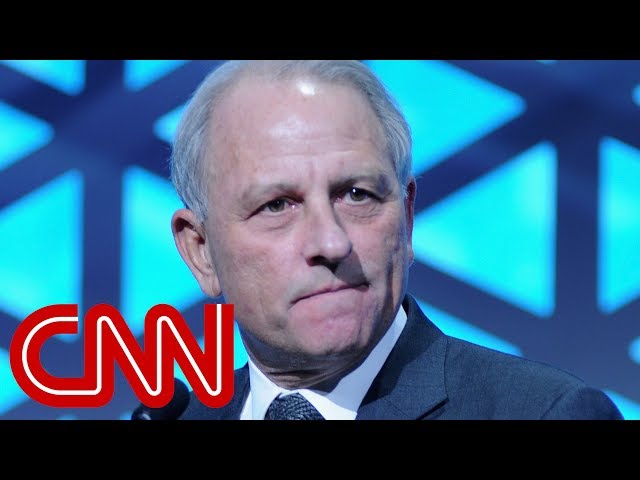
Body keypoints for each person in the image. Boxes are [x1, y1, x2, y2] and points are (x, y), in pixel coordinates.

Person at [156, 60, 623, 420]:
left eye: (357, 194)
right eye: (277, 205)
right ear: (201, 252)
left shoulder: (542, 412)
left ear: (407, 216)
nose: (330, 243)